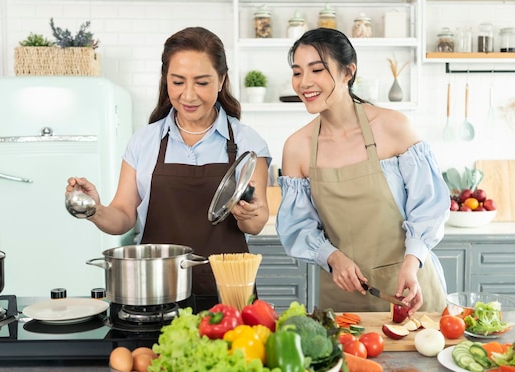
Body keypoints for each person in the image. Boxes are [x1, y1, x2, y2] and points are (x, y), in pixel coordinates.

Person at [66, 27, 271, 312]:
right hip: (153, 294)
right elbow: (123, 216)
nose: (188, 95)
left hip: (228, 298)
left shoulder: (248, 142)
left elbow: (256, 221)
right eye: (177, 82)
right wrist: (95, 209)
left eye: (201, 82)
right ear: (166, 80)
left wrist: (250, 214)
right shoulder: (144, 141)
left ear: (222, 80)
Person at [276, 28, 449, 314]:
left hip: (409, 286)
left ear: (348, 72)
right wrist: (332, 257)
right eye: (297, 72)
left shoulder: (394, 127)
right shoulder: (297, 148)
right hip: (344, 294)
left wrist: (412, 262)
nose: (304, 83)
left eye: (317, 70)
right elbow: (298, 226)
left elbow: (429, 206)